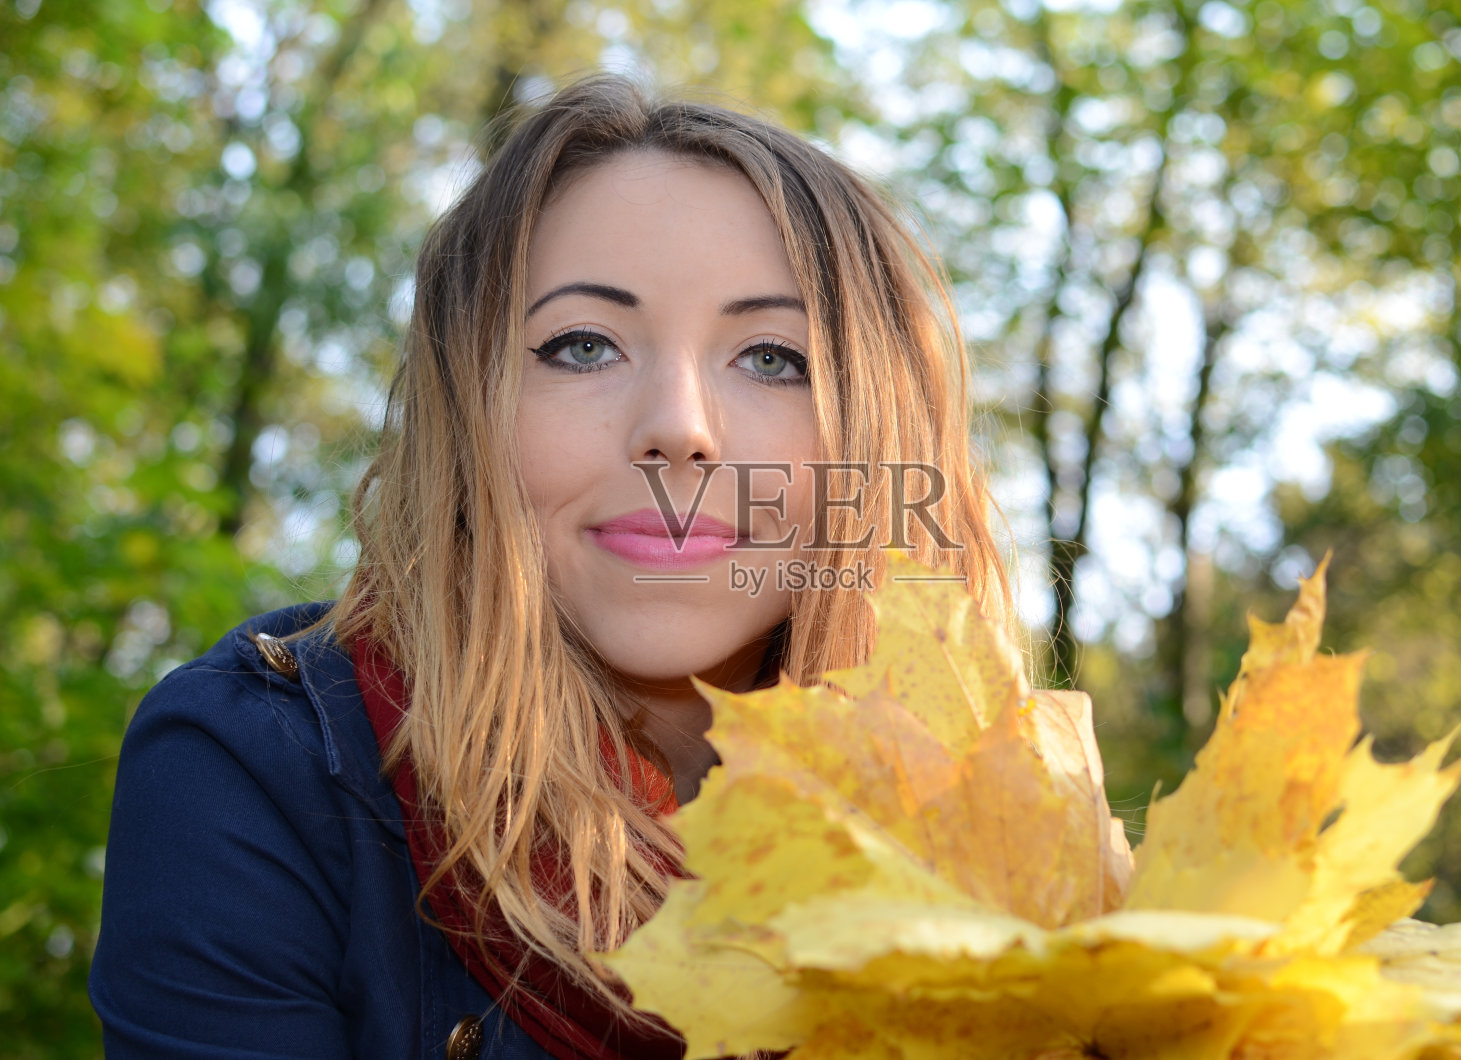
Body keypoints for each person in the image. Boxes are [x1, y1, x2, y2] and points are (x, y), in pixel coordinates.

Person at [88, 74, 1016, 1060]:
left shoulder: (1006, 858)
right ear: (467, 412)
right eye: (582, 345)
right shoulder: (260, 768)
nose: (679, 427)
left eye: (773, 358)